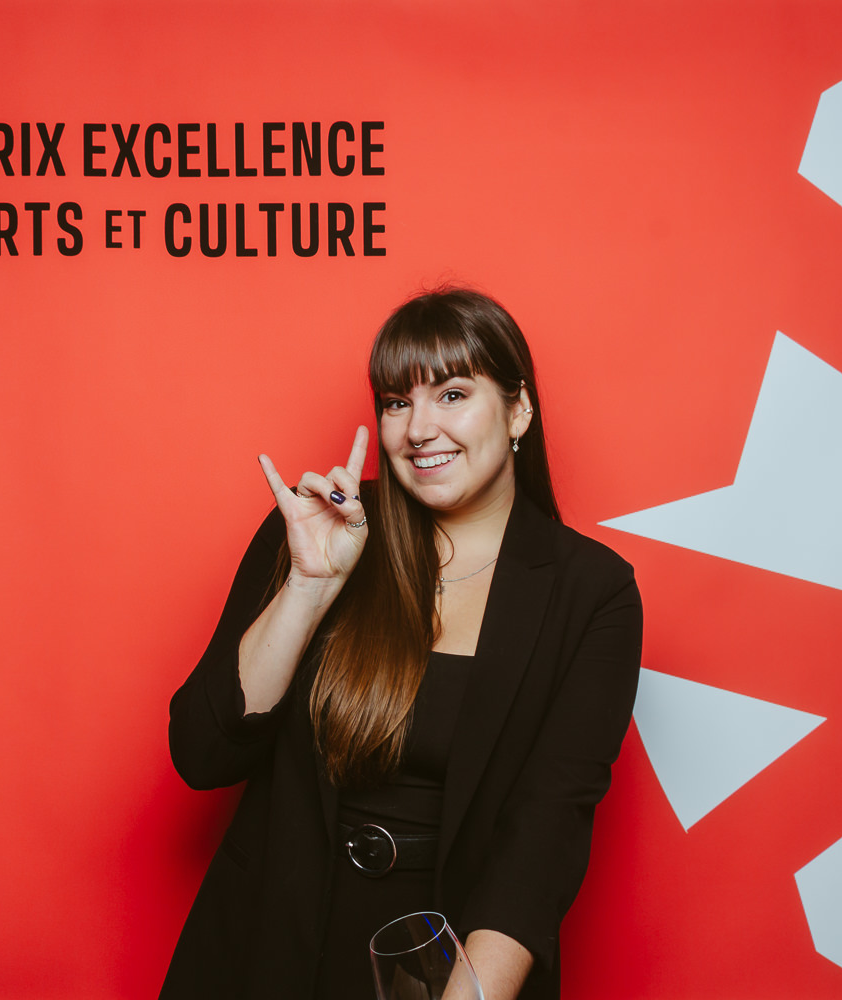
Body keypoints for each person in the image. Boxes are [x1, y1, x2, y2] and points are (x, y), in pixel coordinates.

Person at [162, 287, 642, 999]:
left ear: (518, 410)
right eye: (395, 403)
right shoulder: (320, 529)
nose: (418, 429)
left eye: (452, 395)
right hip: (267, 942)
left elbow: (543, 838)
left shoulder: (592, 591)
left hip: (452, 965)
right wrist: (308, 586)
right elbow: (202, 754)